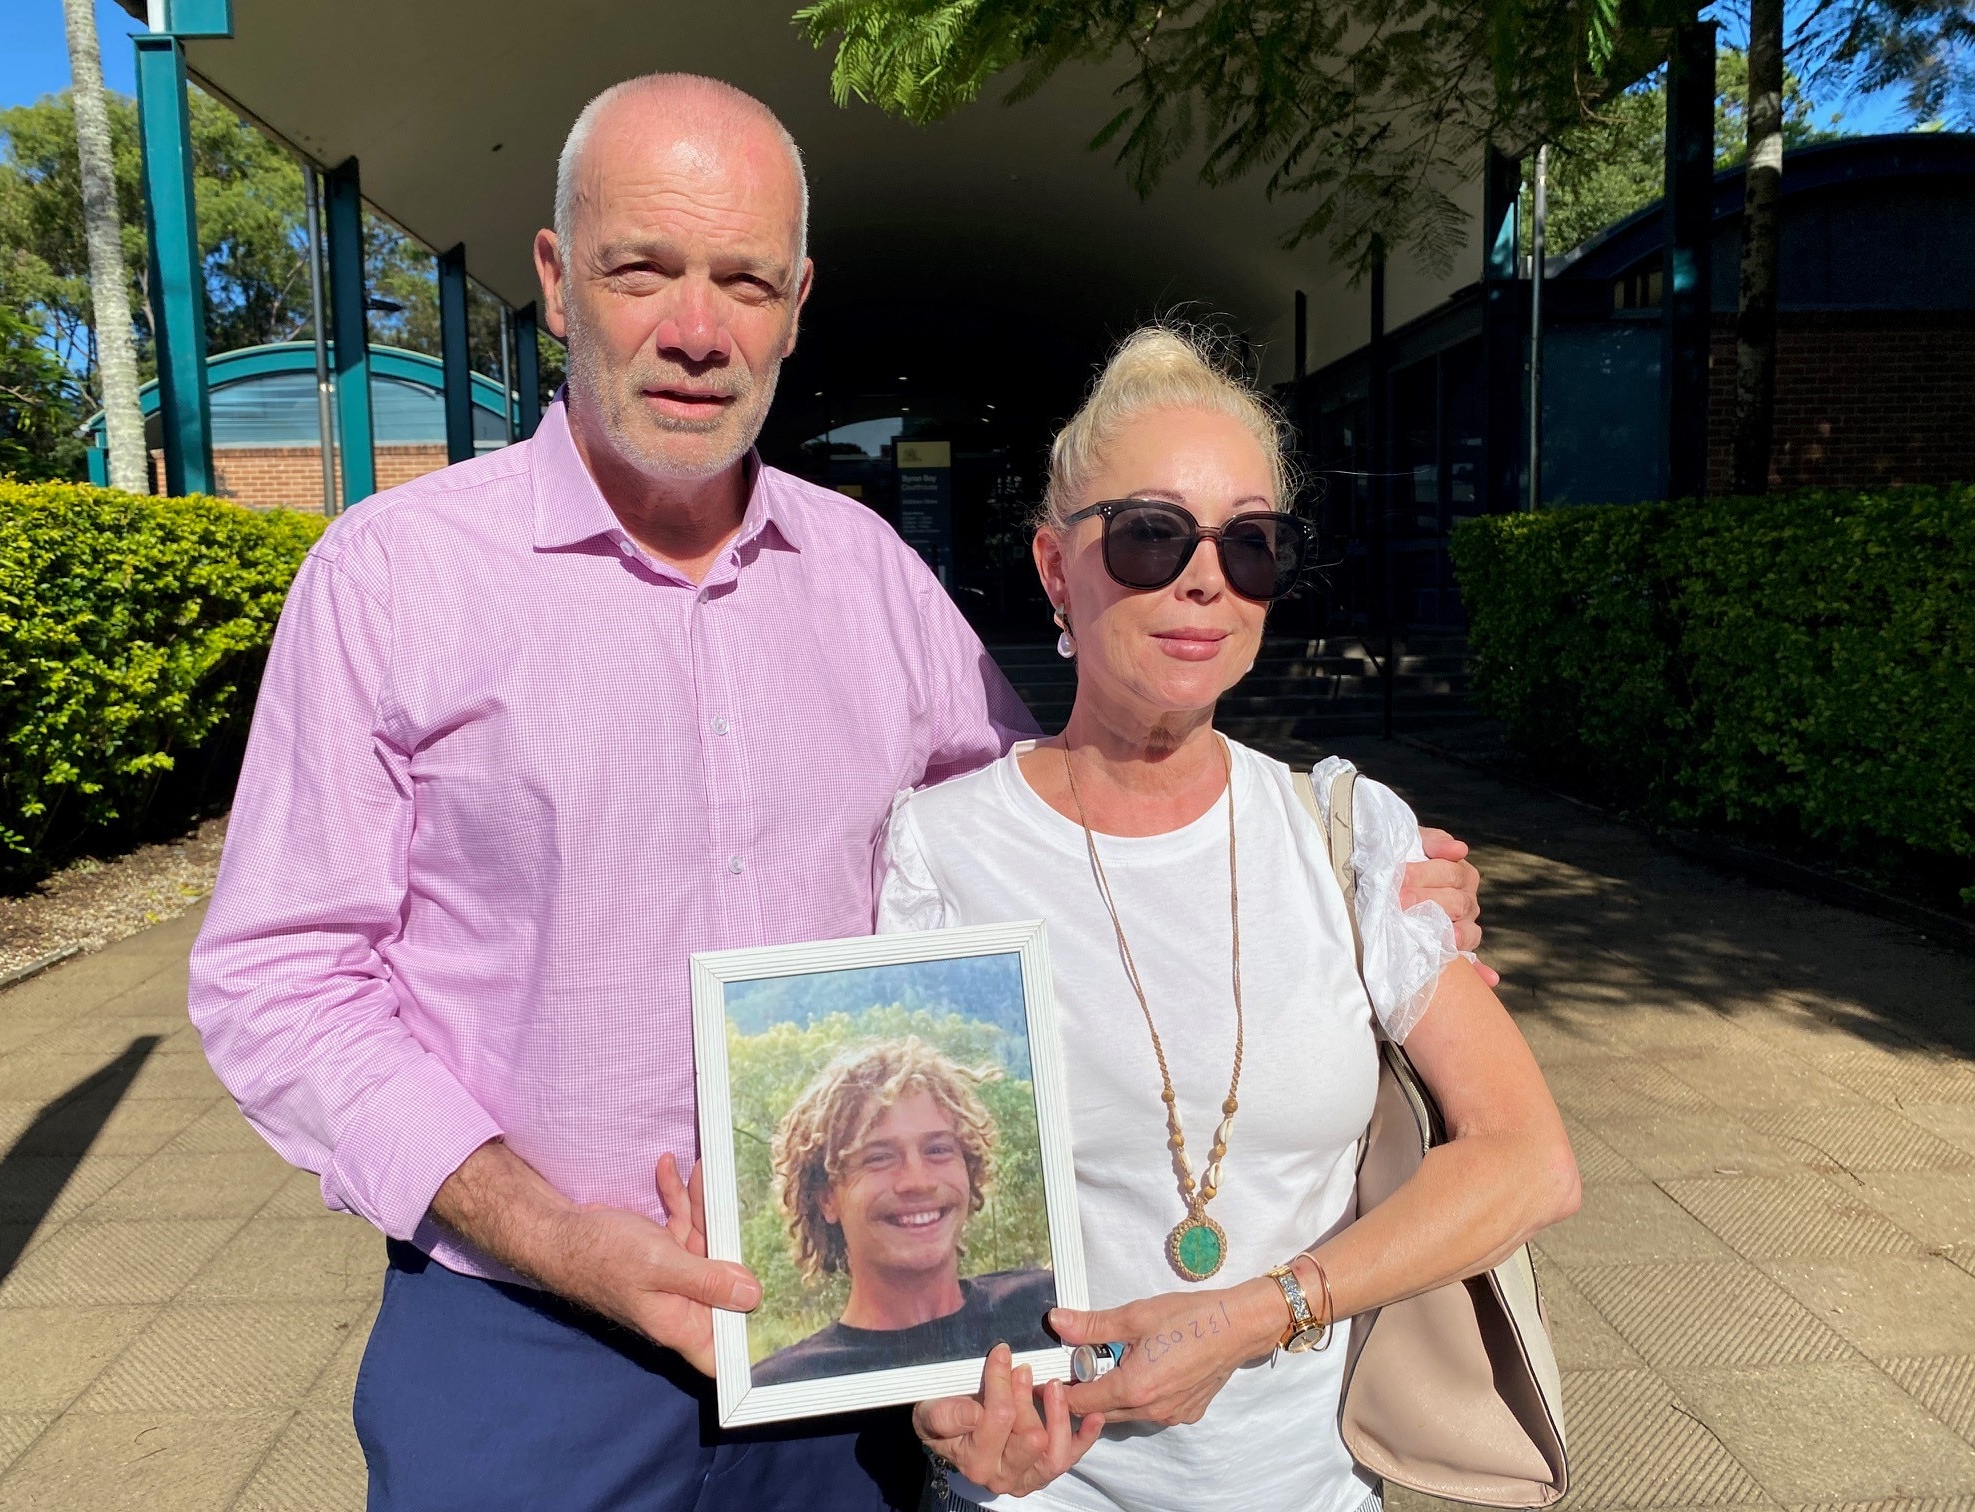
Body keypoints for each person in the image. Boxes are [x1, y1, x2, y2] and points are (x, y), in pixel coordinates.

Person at [186, 72, 1489, 1512]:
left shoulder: (871, 578)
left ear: (798, 303)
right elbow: (281, 978)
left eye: (744, 281)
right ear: (558, 281)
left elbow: (1048, 840)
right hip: (526, 1341)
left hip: (849, 1360)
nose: (697, 329)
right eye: (644, 270)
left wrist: (1377, 893)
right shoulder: (390, 581)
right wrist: (558, 1234)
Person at [875, 326, 1582, 1512]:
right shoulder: (943, 849)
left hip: (1314, 1489)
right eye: (1153, 535)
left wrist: (1260, 1315)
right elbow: (911, 1205)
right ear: (1057, 568)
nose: (1206, 578)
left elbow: (1529, 1161)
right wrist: (946, 1412)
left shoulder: (1351, 836)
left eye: (1251, 545)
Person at [756, 1037, 1057, 1386]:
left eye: (938, 1149)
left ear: (969, 1169)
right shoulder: (784, 1390)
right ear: (826, 1198)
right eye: (879, 1157)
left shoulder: (1049, 1309)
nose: (918, 1181)